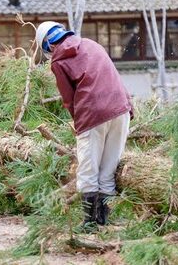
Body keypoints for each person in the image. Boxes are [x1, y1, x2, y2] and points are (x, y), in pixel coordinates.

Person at [35, 21, 133, 232]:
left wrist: (78, 122)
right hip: (121, 109)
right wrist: (129, 107)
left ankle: (89, 223)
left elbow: (69, 99)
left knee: (88, 170)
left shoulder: (58, 60)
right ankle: (104, 221)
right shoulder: (92, 44)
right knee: (108, 170)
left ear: (49, 46)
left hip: (93, 113)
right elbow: (114, 76)